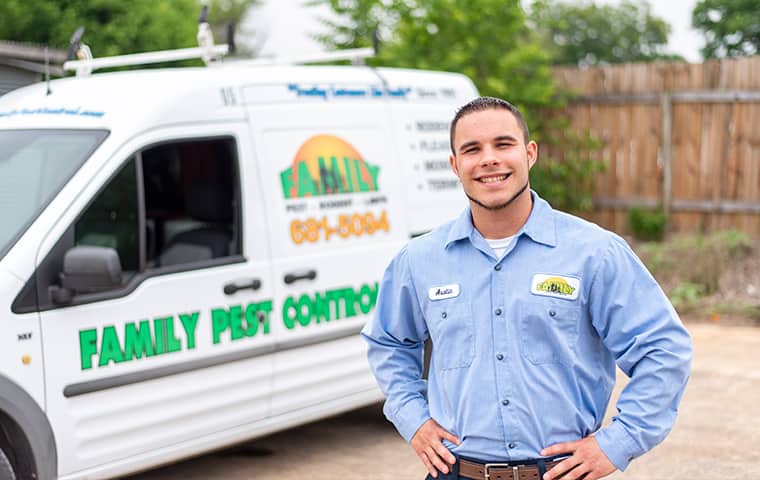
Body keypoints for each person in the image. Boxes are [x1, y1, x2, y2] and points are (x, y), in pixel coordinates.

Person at [361, 96, 692, 480]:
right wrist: (413, 419)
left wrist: (618, 442)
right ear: (455, 165)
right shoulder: (419, 260)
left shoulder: (594, 253)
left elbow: (664, 350)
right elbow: (387, 342)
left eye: (503, 144)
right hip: (457, 472)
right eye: (472, 149)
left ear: (530, 153)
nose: (488, 159)